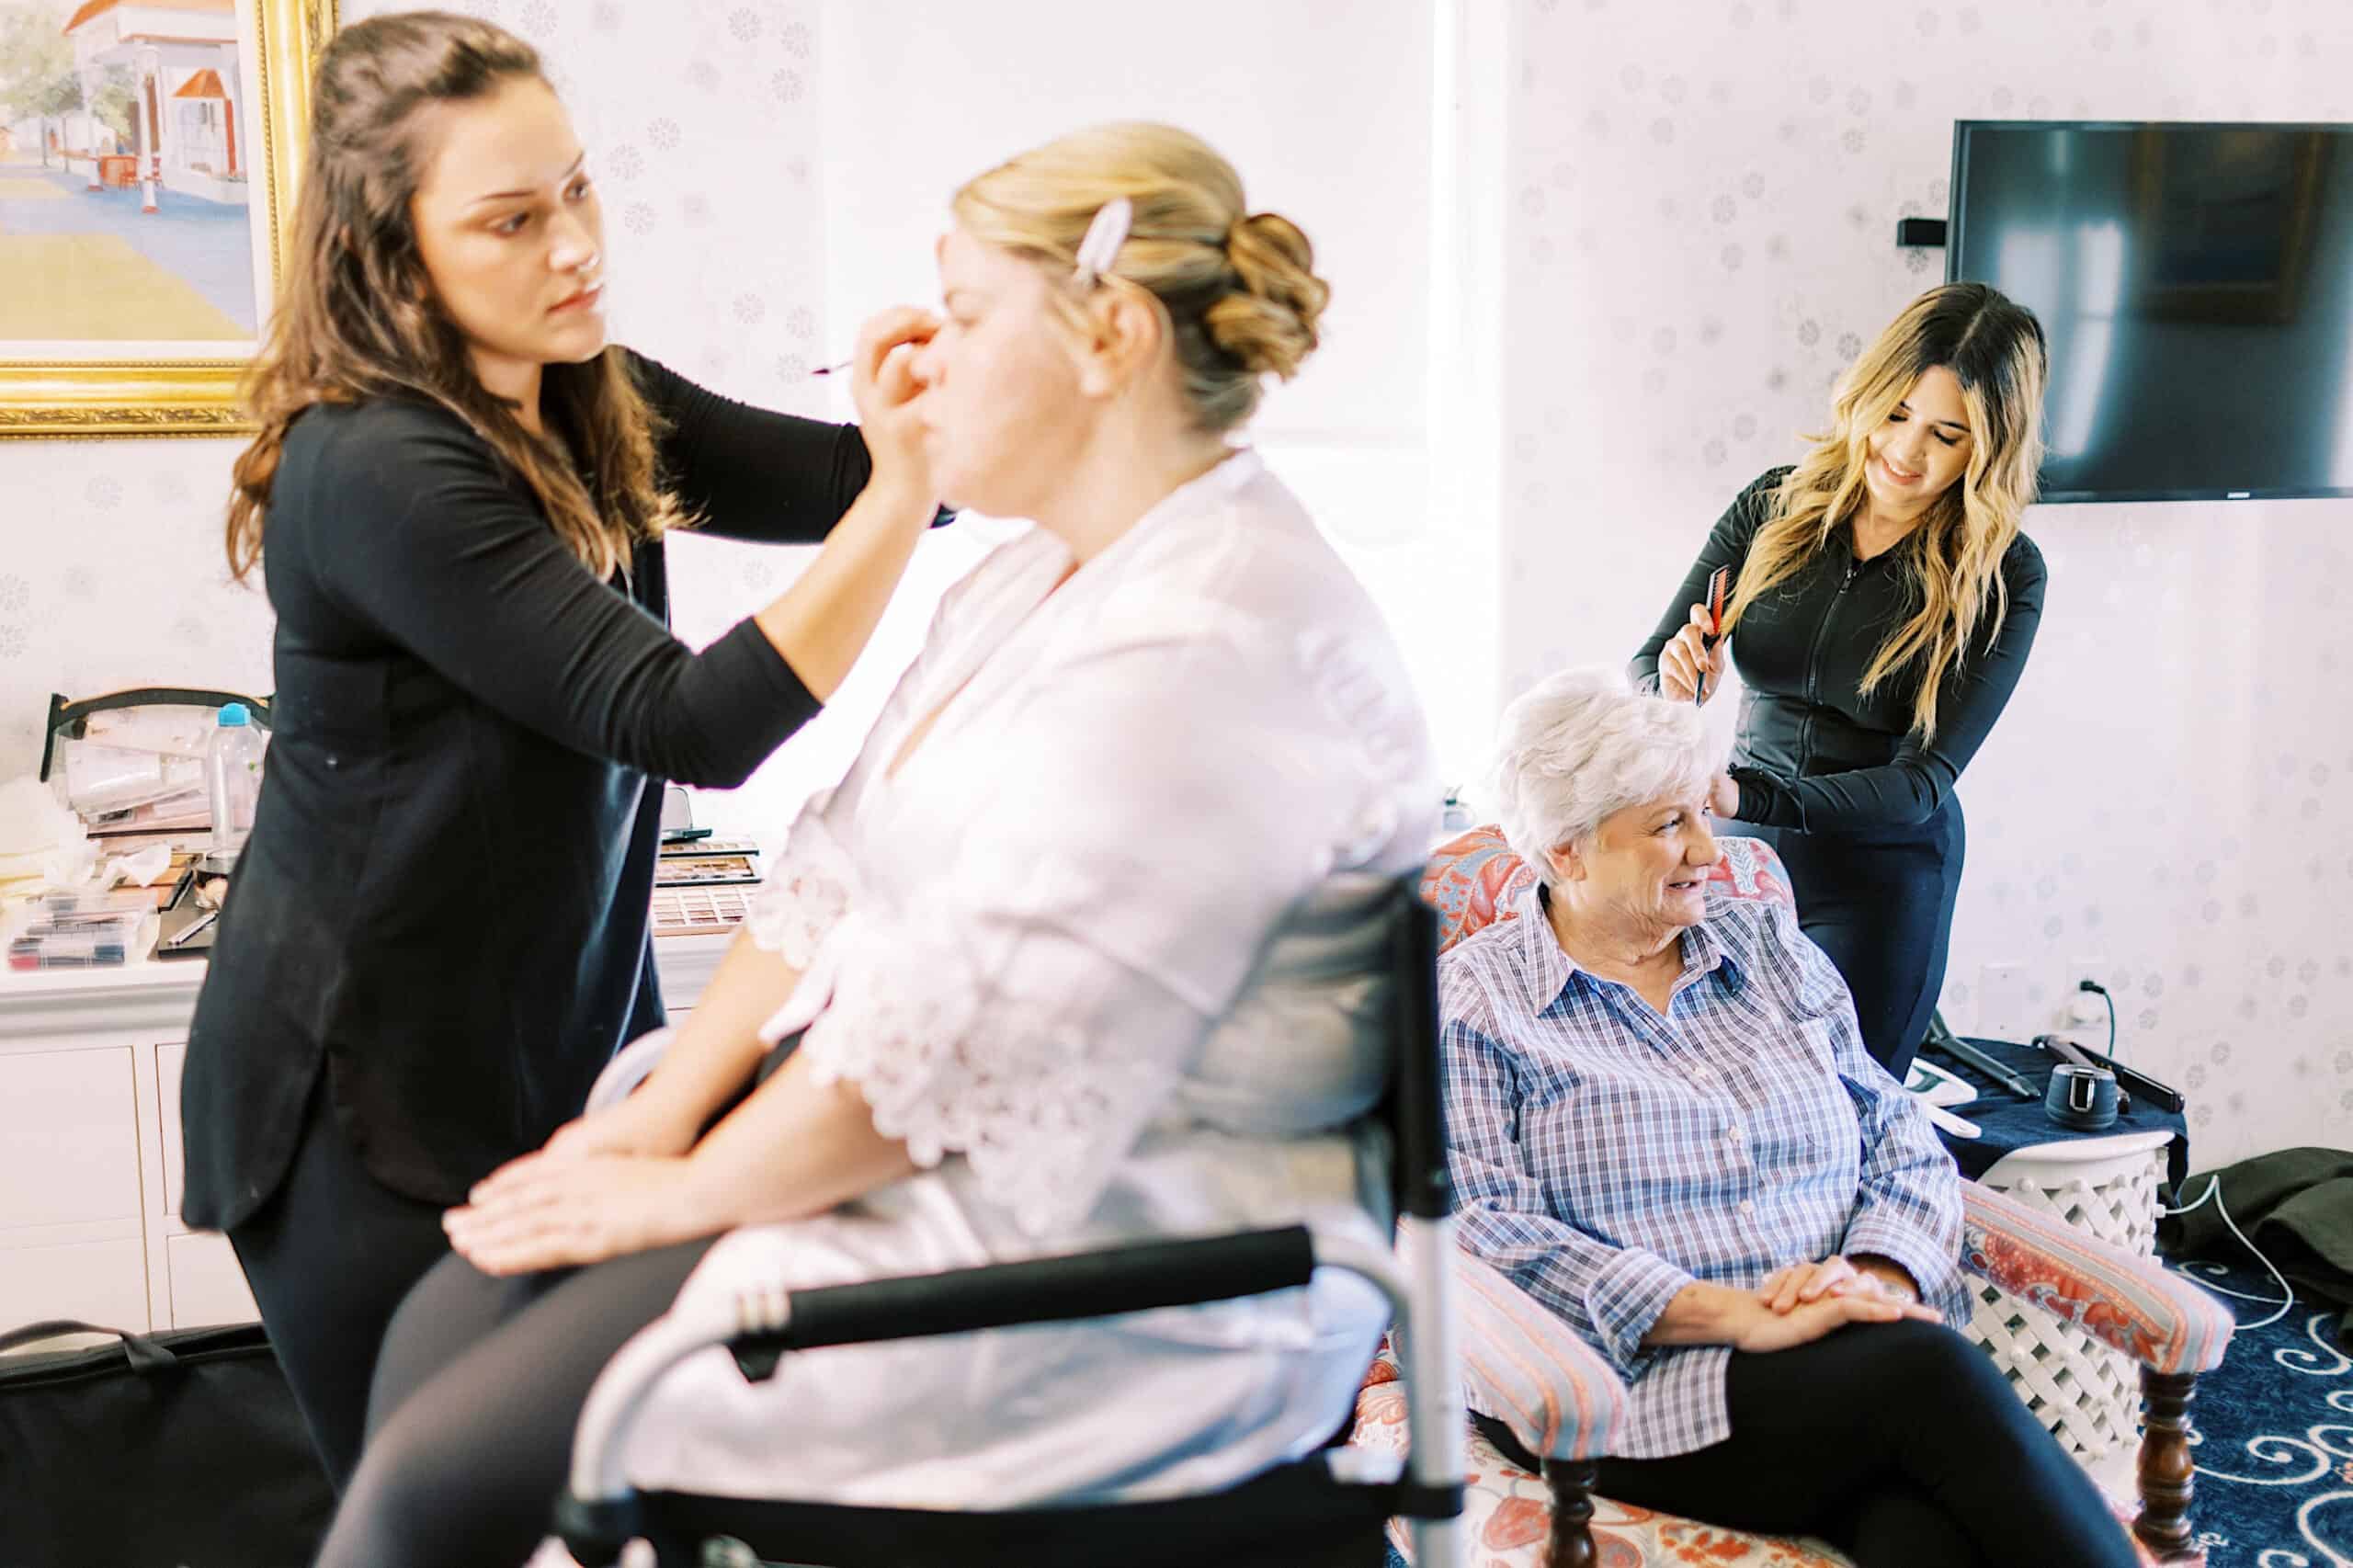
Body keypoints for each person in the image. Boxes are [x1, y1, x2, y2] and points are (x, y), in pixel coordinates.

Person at [310, 120, 1438, 1568]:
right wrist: (655, 1122)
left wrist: (685, 1190)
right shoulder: (1035, 578)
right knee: (442, 1325)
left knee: (436, 1489)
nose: (910, 354)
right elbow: (833, 872)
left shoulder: (1211, 647)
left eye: (964, 314)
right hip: (910, 1137)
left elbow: (948, 1048)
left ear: (1113, 338)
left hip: (1109, 1259)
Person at [179, 11, 947, 1489]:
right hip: (359, 1098)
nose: (575, 246)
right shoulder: (380, 462)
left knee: (586, 1489)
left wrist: (977, 380)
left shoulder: (590, 388)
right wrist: (906, 501)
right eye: (512, 220)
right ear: (390, 251)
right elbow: (690, 720)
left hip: (546, 1042)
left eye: (579, 191)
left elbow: (853, 472)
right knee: (448, 1503)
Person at [1438, 669, 2135, 1568]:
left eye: (1702, 813)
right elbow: (1484, 1232)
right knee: (1929, 1375)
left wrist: (1875, 1275)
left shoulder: (1765, 946)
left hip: (1841, 1356)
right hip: (1628, 1388)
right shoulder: (1475, 1003)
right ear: (1566, 851)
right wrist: (1736, 1316)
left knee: (1918, 1531)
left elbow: (1898, 1137)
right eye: (1667, 825)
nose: (1710, 850)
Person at [1631, 282, 2050, 1075]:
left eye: (1946, 435)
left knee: (1838, 1121)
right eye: (1895, 414)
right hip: (1741, 859)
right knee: (1708, 1102)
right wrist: (1677, 676)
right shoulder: (1774, 504)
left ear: (1988, 449)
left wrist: (1746, 797)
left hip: (1881, 884)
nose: (1906, 452)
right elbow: (1650, 663)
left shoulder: (2003, 575)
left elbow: (1923, 779)